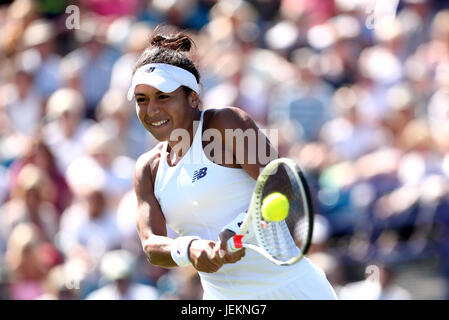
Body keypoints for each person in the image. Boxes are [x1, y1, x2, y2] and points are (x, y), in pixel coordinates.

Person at [133, 25, 337, 300]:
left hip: (296, 291)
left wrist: (239, 228)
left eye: (163, 96)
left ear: (193, 98)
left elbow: (279, 183)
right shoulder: (148, 168)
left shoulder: (225, 123)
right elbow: (152, 246)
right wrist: (190, 249)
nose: (152, 110)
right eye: (142, 100)